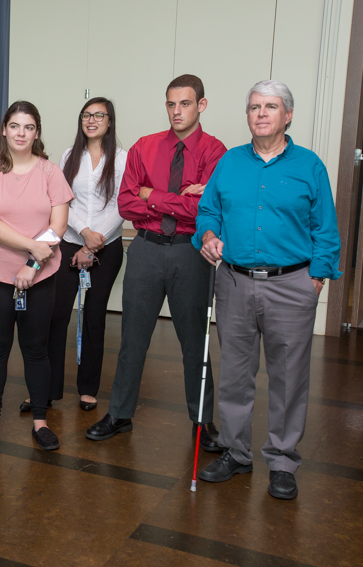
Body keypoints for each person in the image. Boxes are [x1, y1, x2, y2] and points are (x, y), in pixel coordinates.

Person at [195, 80, 341, 500]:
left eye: (271, 107)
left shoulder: (310, 165)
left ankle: (281, 460)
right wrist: (208, 236)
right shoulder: (229, 162)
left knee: (289, 377)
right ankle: (236, 452)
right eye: (255, 106)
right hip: (235, 281)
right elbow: (209, 210)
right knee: (235, 376)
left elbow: (325, 229)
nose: (261, 113)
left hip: (292, 284)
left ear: (287, 115)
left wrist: (316, 278)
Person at [85, 74, 226, 451]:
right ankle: (119, 413)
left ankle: (202, 422)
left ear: (201, 105)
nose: (176, 111)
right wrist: (176, 198)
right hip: (146, 250)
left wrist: (153, 195)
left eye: (185, 103)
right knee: (132, 337)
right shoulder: (144, 147)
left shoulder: (215, 152)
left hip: (190, 251)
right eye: (170, 104)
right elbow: (126, 205)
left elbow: (205, 210)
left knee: (195, 342)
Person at [0, 101, 73, 451]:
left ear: (37, 132)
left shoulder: (50, 172)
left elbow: (58, 224)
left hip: (40, 275)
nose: (21, 133)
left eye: (28, 127)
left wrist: (33, 264)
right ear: (4, 129)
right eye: (14, 126)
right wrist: (32, 246)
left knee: (35, 350)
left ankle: (40, 421)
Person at [36, 97, 127, 413]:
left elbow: (120, 203)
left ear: (109, 121)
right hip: (70, 243)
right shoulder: (68, 155)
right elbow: (61, 201)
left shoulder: (122, 158)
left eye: (98, 115)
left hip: (107, 246)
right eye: (86, 115)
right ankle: (48, 389)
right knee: (57, 315)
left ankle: (88, 388)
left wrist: (93, 242)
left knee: (94, 318)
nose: (92, 120)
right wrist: (83, 235)